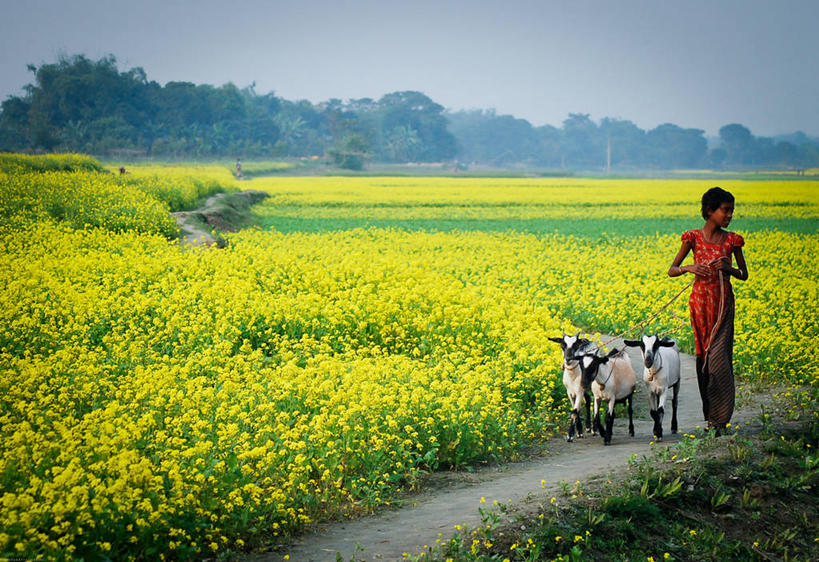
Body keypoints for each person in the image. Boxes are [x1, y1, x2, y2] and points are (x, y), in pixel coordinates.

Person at [668, 187, 748, 435]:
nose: (729, 215)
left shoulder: (732, 240)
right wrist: (689, 268)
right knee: (703, 361)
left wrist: (728, 268)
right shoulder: (692, 237)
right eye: (725, 210)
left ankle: (720, 418)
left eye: (731, 210)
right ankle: (710, 416)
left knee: (718, 363)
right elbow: (672, 269)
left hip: (723, 307)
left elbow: (744, 275)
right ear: (710, 211)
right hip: (700, 307)